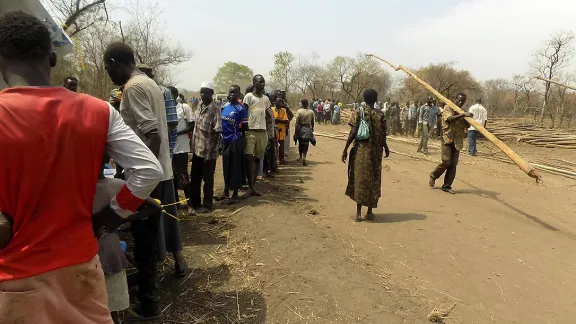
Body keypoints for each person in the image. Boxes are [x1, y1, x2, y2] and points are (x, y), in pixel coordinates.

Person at [0, 12, 163, 323]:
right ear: (50, 58)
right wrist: (109, 216)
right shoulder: (99, 111)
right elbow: (149, 171)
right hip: (82, 268)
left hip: (16, 278)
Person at [103, 42, 187, 320]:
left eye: (108, 69)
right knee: (148, 240)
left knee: (144, 240)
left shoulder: (133, 88)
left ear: (115, 61)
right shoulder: (149, 83)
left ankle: (149, 305)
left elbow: (152, 133)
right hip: (160, 170)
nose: (109, 75)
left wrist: (139, 174)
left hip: (149, 175)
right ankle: (150, 297)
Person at [93, 160, 162, 324]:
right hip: (111, 257)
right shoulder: (117, 185)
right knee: (111, 314)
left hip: (91, 259)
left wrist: (119, 219)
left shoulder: (78, 190)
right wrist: (120, 218)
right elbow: (155, 207)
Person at [342, 89, 390, 222]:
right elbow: (383, 135)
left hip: (361, 151)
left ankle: (358, 213)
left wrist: (345, 149)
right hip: (376, 153)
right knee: (374, 180)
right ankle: (369, 211)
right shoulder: (381, 114)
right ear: (376, 99)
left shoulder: (359, 111)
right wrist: (386, 148)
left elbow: (353, 132)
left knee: (360, 179)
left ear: (364, 98)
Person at [429, 93, 473, 194]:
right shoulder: (447, 108)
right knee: (446, 161)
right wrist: (462, 115)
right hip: (447, 138)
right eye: (459, 100)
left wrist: (468, 118)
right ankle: (433, 175)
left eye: (462, 101)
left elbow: (468, 125)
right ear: (455, 99)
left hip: (457, 141)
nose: (460, 102)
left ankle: (447, 186)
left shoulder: (462, 111)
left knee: (453, 165)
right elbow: (449, 119)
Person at [190, 82, 222, 212]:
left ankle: (208, 205)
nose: (203, 95)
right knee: (195, 178)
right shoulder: (198, 106)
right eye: (201, 92)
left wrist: (209, 154)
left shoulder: (215, 110)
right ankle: (195, 203)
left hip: (208, 152)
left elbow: (217, 133)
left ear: (212, 94)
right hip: (197, 150)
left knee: (207, 180)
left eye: (206, 92)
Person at [137, 64, 179, 159]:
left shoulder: (164, 92)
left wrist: (159, 147)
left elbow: (171, 123)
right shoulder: (134, 91)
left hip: (160, 148)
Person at [243, 75, 272, 197]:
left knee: (257, 159)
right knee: (248, 158)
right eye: (260, 82)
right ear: (254, 83)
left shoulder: (265, 99)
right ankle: (250, 185)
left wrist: (269, 130)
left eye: (263, 82)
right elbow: (244, 114)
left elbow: (268, 114)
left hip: (262, 132)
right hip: (250, 131)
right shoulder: (248, 97)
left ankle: (252, 186)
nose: (262, 84)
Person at [217, 85, 248, 203]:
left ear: (239, 94)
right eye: (230, 92)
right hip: (225, 141)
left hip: (235, 140)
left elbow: (245, 126)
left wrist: (237, 134)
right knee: (226, 166)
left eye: (235, 93)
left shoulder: (241, 109)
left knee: (235, 167)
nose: (232, 95)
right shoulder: (224, 106)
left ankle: (235, 193)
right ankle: (225, 191)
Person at [169, 86, 194, 207]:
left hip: (181, 147)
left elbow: (191, 126)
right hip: (169, 149)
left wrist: (175, 134)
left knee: (183, 175)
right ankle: (176, 204)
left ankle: (189, 204)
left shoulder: (184, 108)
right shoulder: (163, 109)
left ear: (174, 95)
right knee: (171, 176)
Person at [294, 99, 316, 165]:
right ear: (307, 104)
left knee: (300, 144)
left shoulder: (299, 111)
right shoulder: (311, 112)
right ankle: (304, 157)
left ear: (302, 104)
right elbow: (312, 122)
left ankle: (300, 157)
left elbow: (297, 122)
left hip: (300, 129)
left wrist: (296, 132)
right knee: (306, 144)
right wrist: (312, 128)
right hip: (308, 129)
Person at [272, 97, 289, 164]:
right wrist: (280, 120)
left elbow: (286, 121)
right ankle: (275, 160)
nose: (279, 103)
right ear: (274, 102)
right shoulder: (271, 109)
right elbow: (272, 120)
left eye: (280, 101)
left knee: (281, 146)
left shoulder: (283, 110)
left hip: (281, 131)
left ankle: (281, 159)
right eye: (278, 101)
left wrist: (277, 120)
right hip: (273, 130)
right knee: (274, 146)